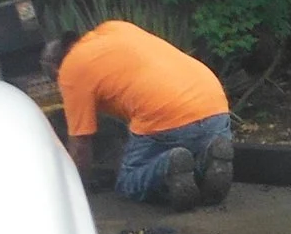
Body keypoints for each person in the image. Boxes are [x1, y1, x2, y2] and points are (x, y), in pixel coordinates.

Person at [47, 20, 235, 209]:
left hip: (165, 114)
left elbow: (81, 146)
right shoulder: (115, 28)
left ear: (56, 68)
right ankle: (209, 157)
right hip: (214, 103)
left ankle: (167, 166)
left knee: (128, 182)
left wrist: (74, 190)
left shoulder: (70, 70)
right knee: (185, 154)